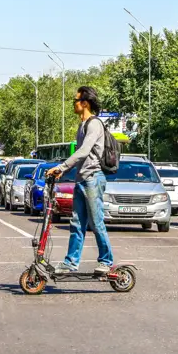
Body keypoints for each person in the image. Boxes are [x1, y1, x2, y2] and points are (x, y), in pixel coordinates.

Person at [46, 86, 114, 274]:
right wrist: (63, 172)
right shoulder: (82, 125)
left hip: (93, 178)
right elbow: (81, 156)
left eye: (75, 100)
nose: (73, 104)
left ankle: (106, 261)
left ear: (85, 103)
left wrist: (61, 167)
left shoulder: (94, 124)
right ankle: (70, 262)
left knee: (96, 222)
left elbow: (83, 151)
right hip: (82, 178)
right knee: (77, 223)